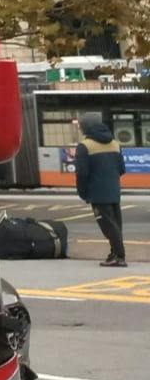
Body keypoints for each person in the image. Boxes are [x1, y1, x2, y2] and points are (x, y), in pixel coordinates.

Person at [75, 112, 127, 267]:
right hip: (114, 191)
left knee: (107, 226)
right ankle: (114, 253)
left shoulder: (85, 146)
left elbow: (82, 173)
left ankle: (119, 256)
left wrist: (83, 192)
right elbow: (122, 169)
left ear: (86, 126)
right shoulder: (115, 143)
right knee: (115, 224)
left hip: (97, 192)